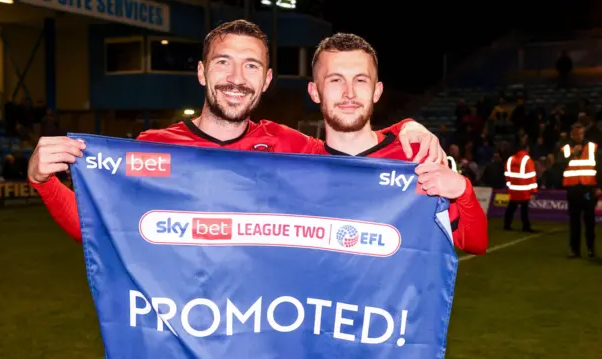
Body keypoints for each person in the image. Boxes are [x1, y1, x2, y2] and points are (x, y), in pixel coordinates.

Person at [27, 20, 445, 242]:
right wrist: (42, 181)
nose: (236, 77)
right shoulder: (153, 149)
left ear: (264, 81)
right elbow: (97, 227)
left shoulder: (293, 145)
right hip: (187, 330)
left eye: (250, 67)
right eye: (223, 62)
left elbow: (355, 149)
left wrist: (407, 127)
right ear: (202, 72)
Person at [306, 33, 488, 254]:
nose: (349, 93)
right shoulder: (297, 160)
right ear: (315, 92)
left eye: (361, 80)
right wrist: (405, 124)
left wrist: (463, 190)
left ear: (377, 91)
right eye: (336, 80)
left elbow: (475, 243)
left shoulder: (417, 157)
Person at [557, 123, 602, 258]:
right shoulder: (566, 148)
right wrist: (572, 155)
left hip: (588, 188)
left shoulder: (592, 147)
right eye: (577, 134)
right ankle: (574, 249)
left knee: (590, 221)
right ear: (572, 135)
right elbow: (559, 165)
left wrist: (599, 186)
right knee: (574, 221)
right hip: (573, 188)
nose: (579, 136)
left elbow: (599, 168)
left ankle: (590, 249)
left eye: (581, 133)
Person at [503, 144, 537, 232]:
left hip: (513, 189)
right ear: (526, 149)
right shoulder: (527, 160)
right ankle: (526, 226)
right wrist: (533, 190)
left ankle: (507, 224)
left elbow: (507, 174)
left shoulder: (510, 159)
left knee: (511, 207)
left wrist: (509, 185)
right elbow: (531, 176)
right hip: (524, 190)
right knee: (524, 209)